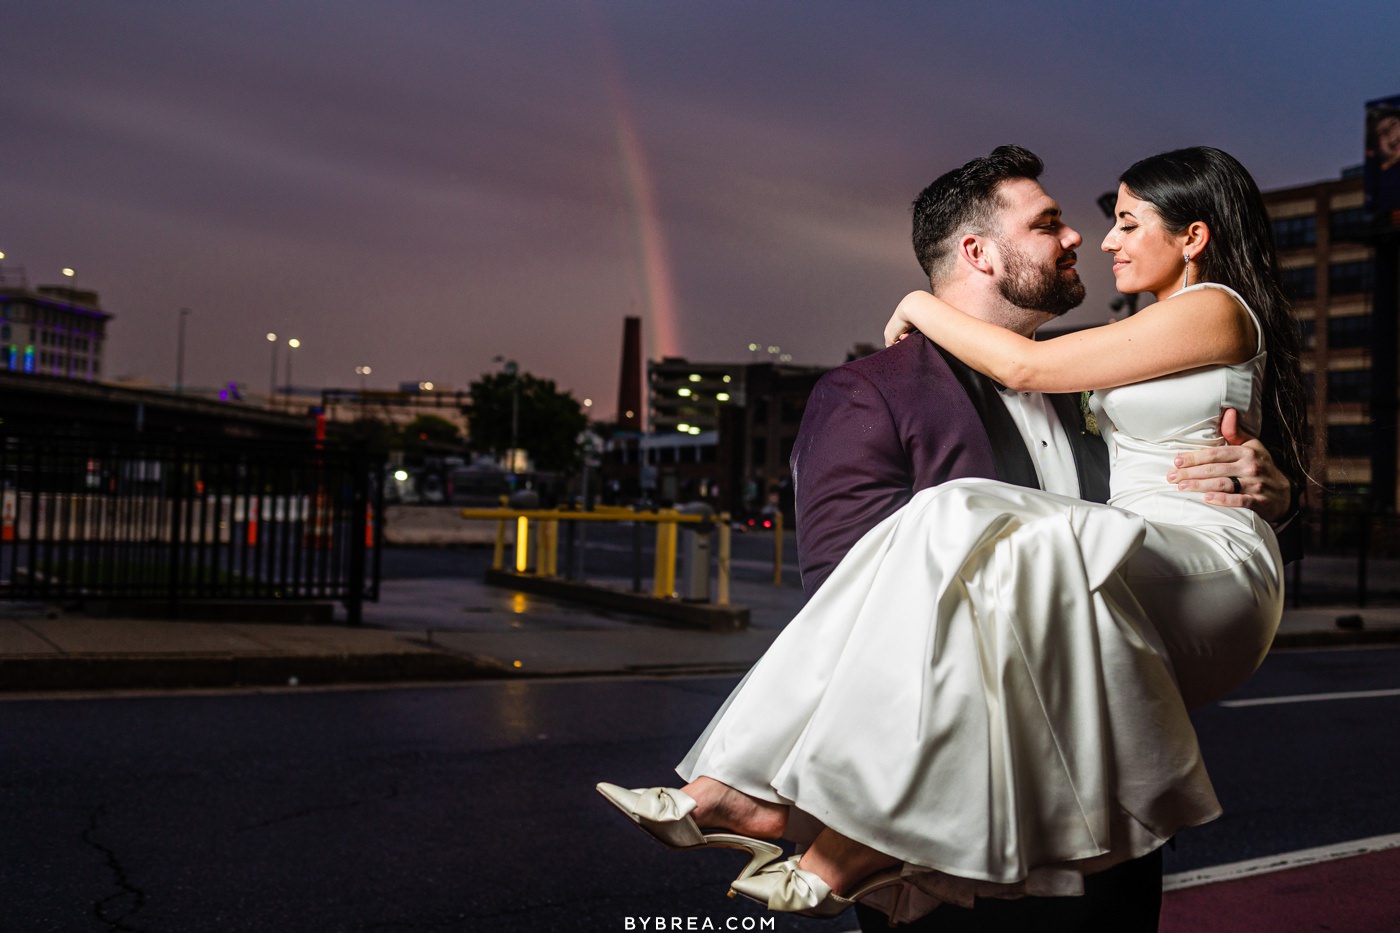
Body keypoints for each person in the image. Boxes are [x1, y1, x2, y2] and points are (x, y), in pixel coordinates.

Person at [598, 146, 1303, 928]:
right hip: (946, 847)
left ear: (1194, 235)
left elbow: (1159, 462)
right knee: (953, 518)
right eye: (1051, 223)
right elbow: (849, 592)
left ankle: (754, 797)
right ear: (978, 252)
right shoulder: (872, 395)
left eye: (1118, 221)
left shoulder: (1090, 381)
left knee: (964, 508)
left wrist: (1267, 483)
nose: (1086, 240)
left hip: (1101, 816)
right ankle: (787, 807)